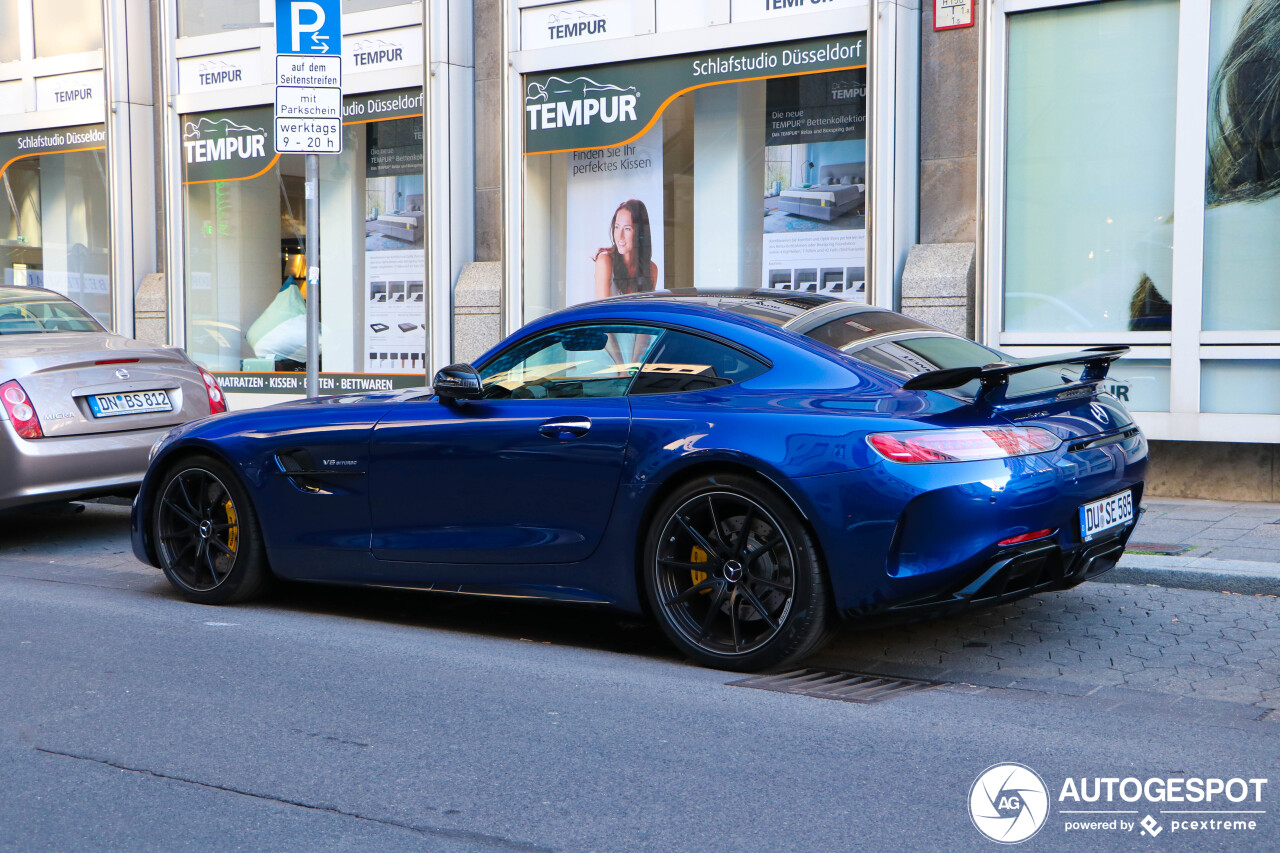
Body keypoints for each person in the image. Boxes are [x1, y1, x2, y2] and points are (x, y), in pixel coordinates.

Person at [594, 199, 659, 299]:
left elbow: (646, 311)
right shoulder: (605, 262)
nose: (620, 236)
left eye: (627, 228)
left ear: (640, 233)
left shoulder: (651, 269)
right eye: (617, 227)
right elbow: (603, 312)